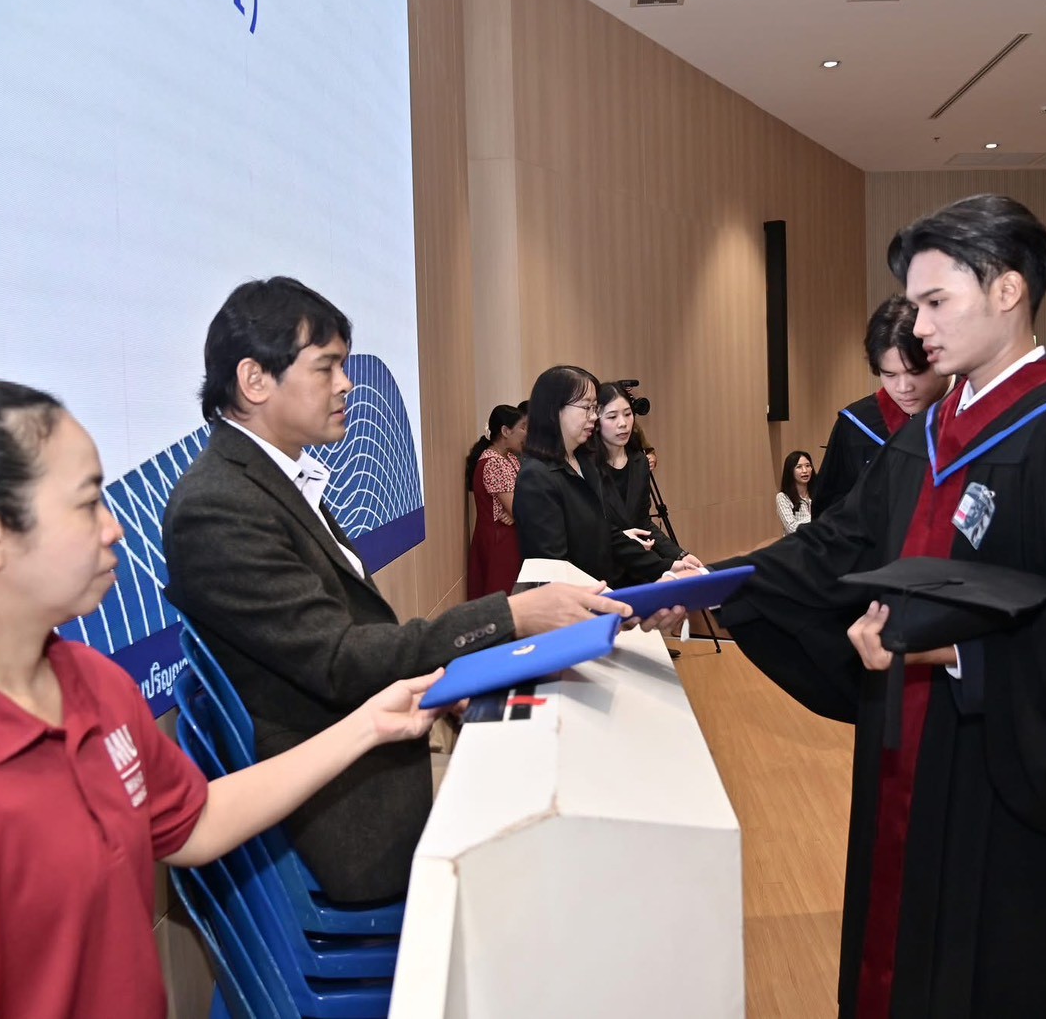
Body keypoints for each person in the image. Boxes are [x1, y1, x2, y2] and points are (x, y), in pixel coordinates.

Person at [0, 379, 451, 1017]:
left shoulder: (92, 683)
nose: (114, 527)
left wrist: (368, 726)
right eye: (87, 502)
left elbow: (193, 823)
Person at [714, 194, 1046, 1018]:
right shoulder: (930, 431)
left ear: (1007, 289)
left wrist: (958, 655)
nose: (917, 328)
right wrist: (707, 586)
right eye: (913, 305)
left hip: (998, 777)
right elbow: (838, 545)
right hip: (907, 748)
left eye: (933, 302)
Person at [161, 279, 637, 906]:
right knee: (571, 854)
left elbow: (346, 643)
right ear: (254, 380)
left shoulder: (271, 482)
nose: (347, 385)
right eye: (327, 367)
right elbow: (339, 660)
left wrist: (451, 675)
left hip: (378, 757)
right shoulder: (220, 505)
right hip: (350, 810)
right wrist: (512, 616)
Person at [513, 365, 697, 587]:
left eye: (595, 408)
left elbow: (607, 534)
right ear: (555, 410)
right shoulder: (536, 476)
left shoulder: (585, 461)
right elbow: (554, 568)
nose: (594, 417)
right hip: (578, 599)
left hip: (604, 589)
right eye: (587, 408)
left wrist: (665, 566)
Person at [811, 295, 948, 518]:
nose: (903, 388)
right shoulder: (857, 425)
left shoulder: (975, 407)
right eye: (890, 374)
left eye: (915, 372)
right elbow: (829, 513)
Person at [591, 382, 703, 568]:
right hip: (601, 567)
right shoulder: (586, 466)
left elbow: (643, 522)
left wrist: (680, 555)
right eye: (612, 416)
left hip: (639, 566)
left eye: (628, 414)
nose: (623, 423)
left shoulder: (639, 462)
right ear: (596, 422)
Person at [466, 403, 527, 598]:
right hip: (499, 542)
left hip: (509, 538)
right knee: (502, 597)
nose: (526, 434)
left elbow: (523, 502)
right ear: (506, 431)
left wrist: (516, 513)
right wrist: (517, 513)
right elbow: (518, 508)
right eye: (523, 427)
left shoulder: (510, 458)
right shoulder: (494, 463)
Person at [776, 450, 814, 534]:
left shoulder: (818, 492)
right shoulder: (783, 497)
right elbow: (791, 528)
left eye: (808, 466)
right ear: (790, 471)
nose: (805, 470)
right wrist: (817, 520)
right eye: (799, 467)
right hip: (797, 540)